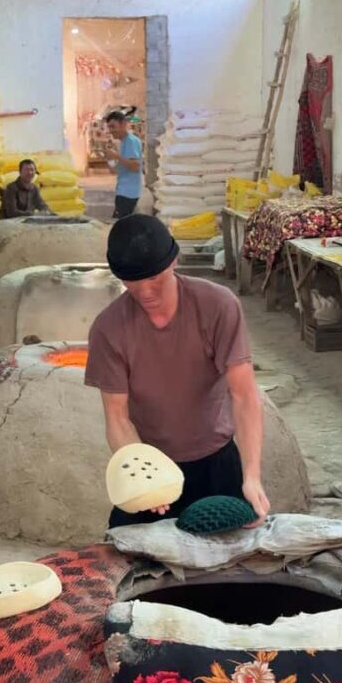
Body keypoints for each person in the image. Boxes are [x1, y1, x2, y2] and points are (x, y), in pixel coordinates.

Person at [85, 214, 270, 528]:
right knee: (128, 551)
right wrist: (145, 479)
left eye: (154, 279)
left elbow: (244, 395)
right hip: (152, 465)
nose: (145, 292)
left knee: (234, 548)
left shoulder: (217, 306)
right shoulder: (108, 328)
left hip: (217, 463)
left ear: (174, 262)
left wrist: (251, 476)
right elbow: (117, 418)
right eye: (133, 282)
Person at [105, 111, 143, 219]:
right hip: (124, 191)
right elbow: (124, 166)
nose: (111, 130)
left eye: (113, 126)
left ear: (123, 124)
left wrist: (116, 156)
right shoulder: (124, 142)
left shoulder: (131, 141)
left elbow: (135, 166)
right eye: (109, 127)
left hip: (127, 193)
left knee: (119, 224)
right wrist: (111, 161)